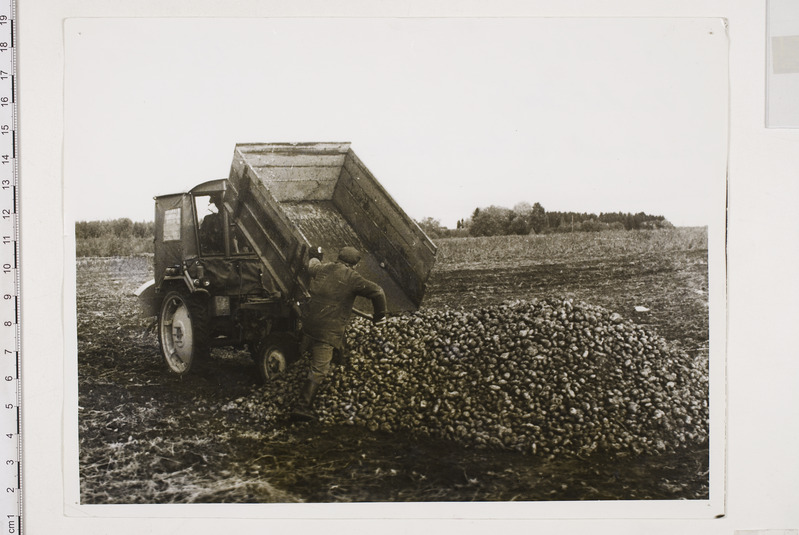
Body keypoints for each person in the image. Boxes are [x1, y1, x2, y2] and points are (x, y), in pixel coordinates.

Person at [292, 246, 387, 421]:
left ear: (339, 258)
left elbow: (312, 265)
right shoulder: (352, 277)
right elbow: (378, 292)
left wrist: (315, 254)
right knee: (319, 369)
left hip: (309, 325)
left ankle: (341, 359)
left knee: (315, 347)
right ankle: (302, 407)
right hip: (327, 331)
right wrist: (379, 316)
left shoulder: (323, 268)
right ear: (354, 265)